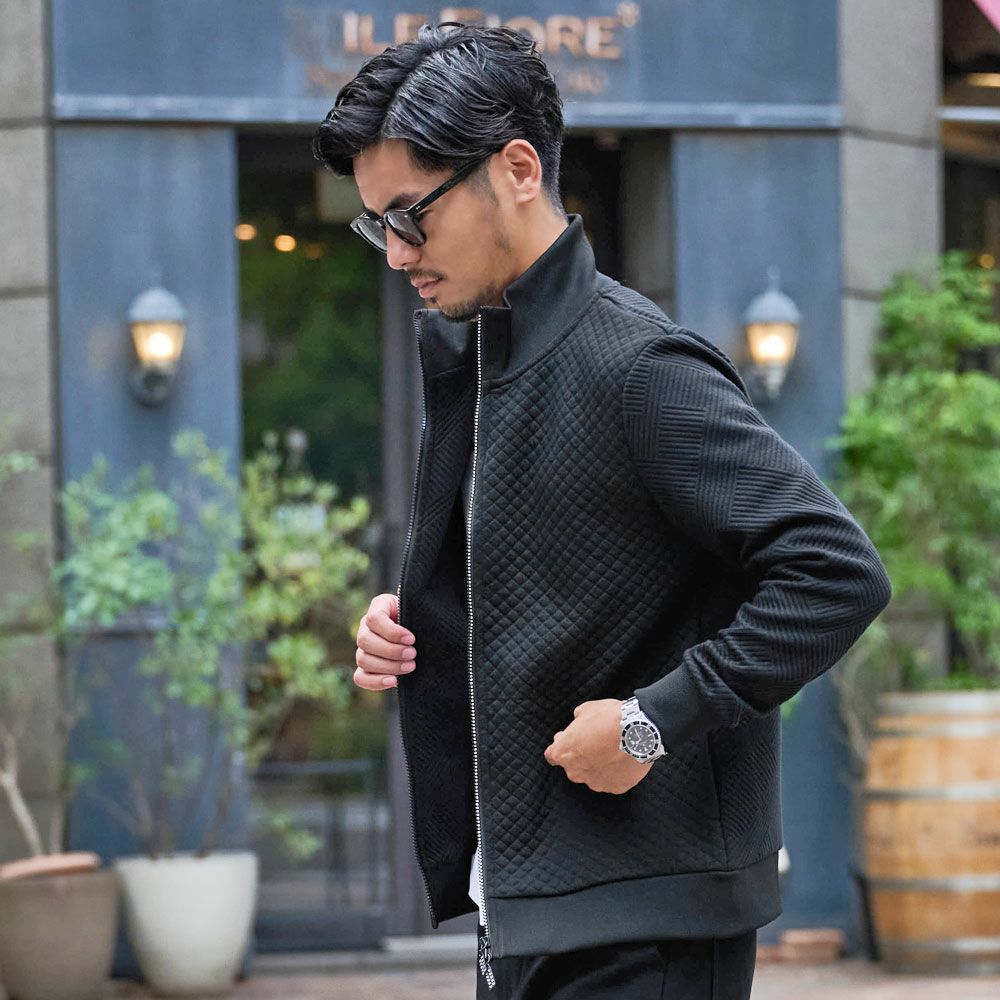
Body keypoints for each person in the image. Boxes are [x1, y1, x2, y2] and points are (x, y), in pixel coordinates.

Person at [313, 21, 892, 1000]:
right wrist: (418, 623)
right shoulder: (484, 356)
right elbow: (558, 588)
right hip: (530, 904)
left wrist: (649, 724)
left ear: (517, 169)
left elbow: (837, 572)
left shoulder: (639, 366)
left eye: (410, 215)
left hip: (646, 927)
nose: (397, 253)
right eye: (378, 225)